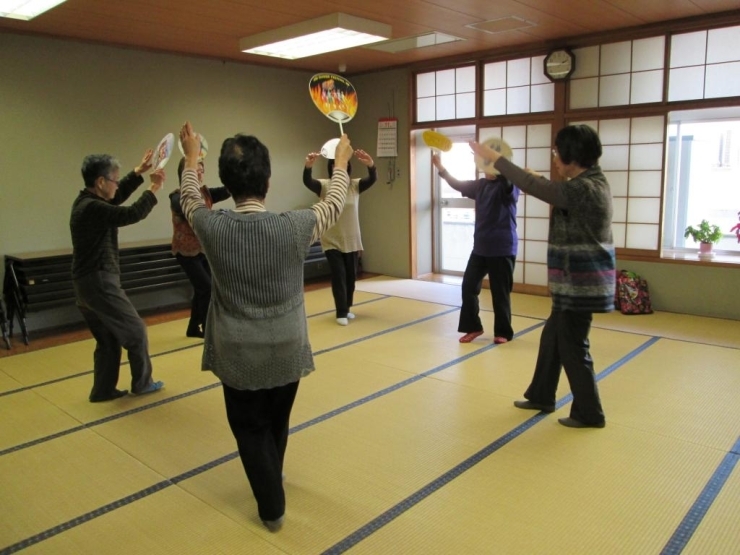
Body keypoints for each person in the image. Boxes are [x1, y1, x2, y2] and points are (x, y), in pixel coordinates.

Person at [178, 121, 352, 532]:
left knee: (250, 427)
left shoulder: (212, 226)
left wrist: (189, 158)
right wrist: (340, 164)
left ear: (227, 182)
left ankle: (272, 507)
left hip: (238, 351)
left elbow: (188, 197)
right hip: (288, 345)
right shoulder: (293, 226)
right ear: (268, 181)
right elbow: (335, 202)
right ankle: (274, 473)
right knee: (277, 417)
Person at [470, 124, 615, 429]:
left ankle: (590, 412)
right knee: (553, 338)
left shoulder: (586, 188)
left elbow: (546, 191)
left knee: (573, 346)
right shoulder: (588, 183)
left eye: (557, 152)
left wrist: (498, 160)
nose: (555, 158)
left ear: (571, 156)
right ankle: (541, 395)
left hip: (580, 285)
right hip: (573, 283)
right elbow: (551, 189)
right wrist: (533, 177)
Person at [70, 151, 166, 402]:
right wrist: (154, 188)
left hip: (85, 285)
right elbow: (129, 214)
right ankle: (143, 384)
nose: (116, 183)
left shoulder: (86, 202)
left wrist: (137, 173)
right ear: (100, 182)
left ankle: (102, 391)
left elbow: (116, 198)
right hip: (99, 281)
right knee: (135, 330)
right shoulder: (92, 208)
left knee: (109, 338)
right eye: (113, 179)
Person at [432, 144, 519, 344]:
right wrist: (441, 168)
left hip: (502, 249)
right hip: (480, 248)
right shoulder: (480, 185)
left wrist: (496, 160)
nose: (483, 166)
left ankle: (503, 332)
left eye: (487, 162)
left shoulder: (509, 186)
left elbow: (506, 178)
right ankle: (474, 327)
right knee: (468, 286)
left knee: (500, 293)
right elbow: (458, 184)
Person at [303, 148, 376, 325]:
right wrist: (308, 167)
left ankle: (347, 307)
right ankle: (341, 312)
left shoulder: (355, 185)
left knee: (351, 276)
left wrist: (371, 165)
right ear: (331, 169)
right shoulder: (325, 186)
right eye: (336, 165)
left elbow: (372, 179)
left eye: (344, 165)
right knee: (339, 275)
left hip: (351, 239)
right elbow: (308, 181)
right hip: (332, 239)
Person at [169, 157, 230, 338]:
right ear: (185, 172)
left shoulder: (206, 193)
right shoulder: (177, 196)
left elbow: (227, 191)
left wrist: (236, 174)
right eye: (196, 169)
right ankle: (207, 326)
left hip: (202, 250)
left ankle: (193, 327)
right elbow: (185, 207)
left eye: (202, 170)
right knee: (206, 288)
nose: (200, 173)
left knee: (202, 289)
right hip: (185, 252)